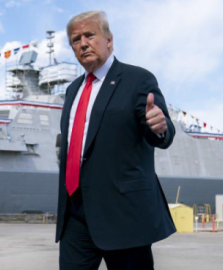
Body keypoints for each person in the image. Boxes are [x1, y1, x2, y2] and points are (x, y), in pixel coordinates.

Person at [57, 11, 176, 270]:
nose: (83, 43)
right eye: (76, 39)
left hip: (123, 213)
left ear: (109, 40)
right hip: (76, 214)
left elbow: (162, 135)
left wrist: (159, 127)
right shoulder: (72, 90)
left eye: (90, 35)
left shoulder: (137, 79)